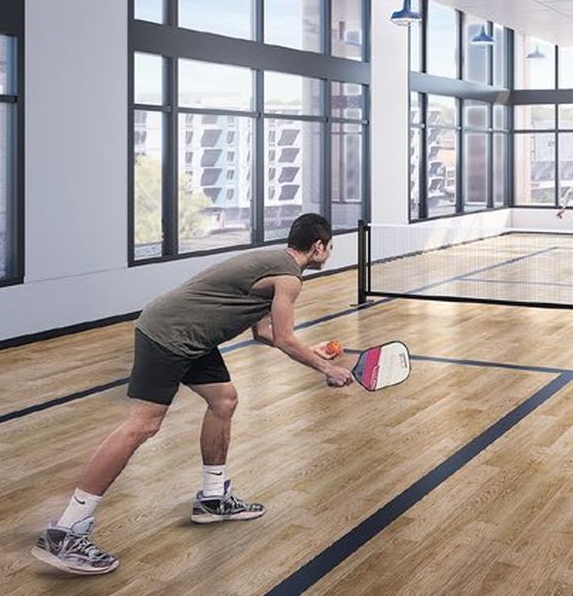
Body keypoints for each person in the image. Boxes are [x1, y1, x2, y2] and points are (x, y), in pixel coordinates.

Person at [32, 213, 353, 576]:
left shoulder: (274, 266)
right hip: (169, 334)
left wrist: (313, 351)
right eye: (329, 247)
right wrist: (327, 369)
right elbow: (283, 338)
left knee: (224, 400)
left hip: (193, 338)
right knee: (142, 426)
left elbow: (264, 332)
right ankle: (65, 529)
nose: (328, 254)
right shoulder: (289, 279)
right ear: (318, 246)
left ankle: (213, 498)